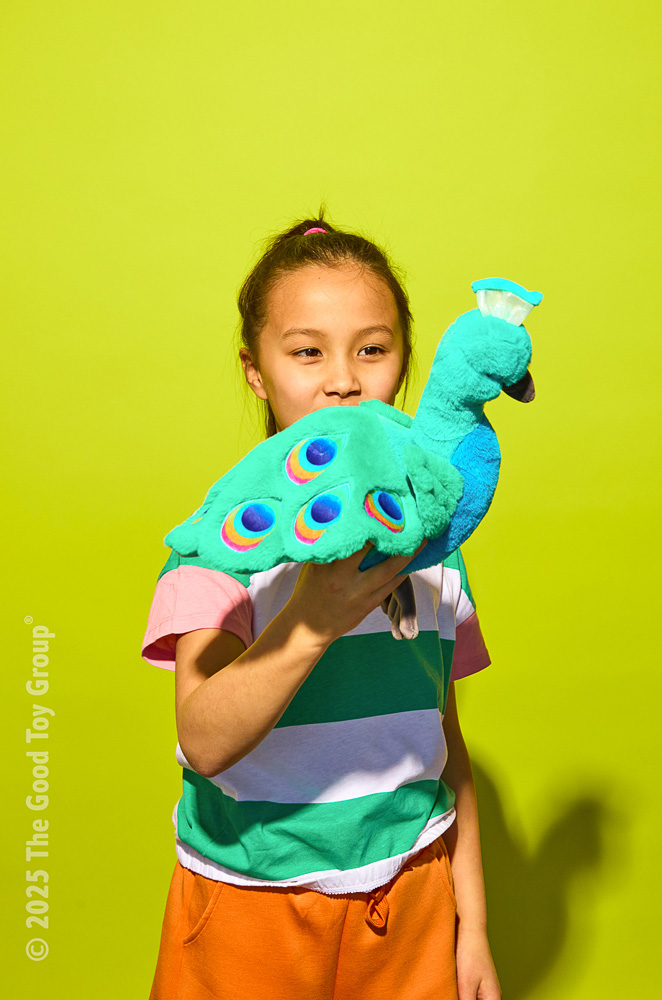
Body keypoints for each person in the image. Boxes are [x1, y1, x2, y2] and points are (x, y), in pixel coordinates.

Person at [141, 211, 502, 1000]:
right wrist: (313, 620)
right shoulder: (221, 548)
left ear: (404, 364)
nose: (343, 380)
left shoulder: (435, 553)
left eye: (372, 349)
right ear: (256, 371)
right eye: (307, 352)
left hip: (411, 897)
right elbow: (202, 739)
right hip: (249, 905)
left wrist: (471, 926)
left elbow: (445, 743)